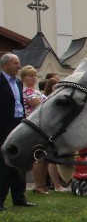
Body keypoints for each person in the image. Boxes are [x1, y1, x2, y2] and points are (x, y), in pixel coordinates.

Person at [20, 65, 65, 193]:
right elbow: (41, 106)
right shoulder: (26, 92)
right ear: (23, 78)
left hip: (44, 127)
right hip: (34, 126)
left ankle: (43, 184)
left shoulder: (37, 92)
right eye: (30, 76)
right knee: (38, 157)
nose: (33, 78)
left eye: (35, 75)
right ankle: (38, 185)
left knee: (44, 156)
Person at [0, 54, 35, 209]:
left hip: (18, 123)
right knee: (4, 163)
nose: (18, 66)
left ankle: (19, 197)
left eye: (19, 63)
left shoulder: (19, 83)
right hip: (3, 125)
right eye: (15, 63)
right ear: (5, 65)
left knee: (20, 160)